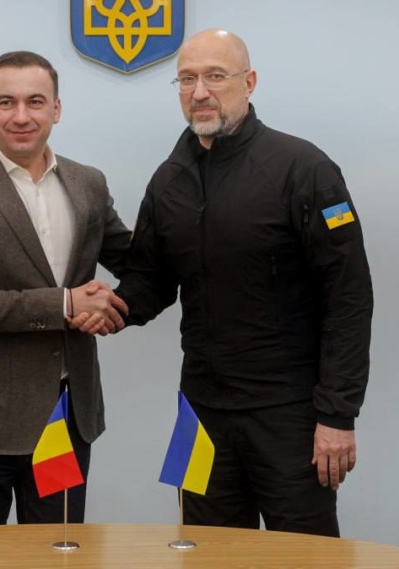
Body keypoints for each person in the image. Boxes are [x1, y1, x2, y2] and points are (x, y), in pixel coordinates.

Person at [105, 28, 373, 536]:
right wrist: (108, 307)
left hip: (289, 414)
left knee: (304, 558)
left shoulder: (305, 169)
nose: (199, 92)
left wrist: (338, 414)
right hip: (200, 413)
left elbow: (349, 298)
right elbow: (151, 281)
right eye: (187, 79)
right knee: (204, 553)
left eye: (215, 76)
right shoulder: (168, 180)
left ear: (249, 82)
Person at [0, 50, 131, 527]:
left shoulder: (88, 183)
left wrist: (117, 306)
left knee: (58, 555)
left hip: (64, 421)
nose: (21, 116)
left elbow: (134, 259)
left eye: (35, 102)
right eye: (7, 102)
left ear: (56, 109)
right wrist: (67, 303)